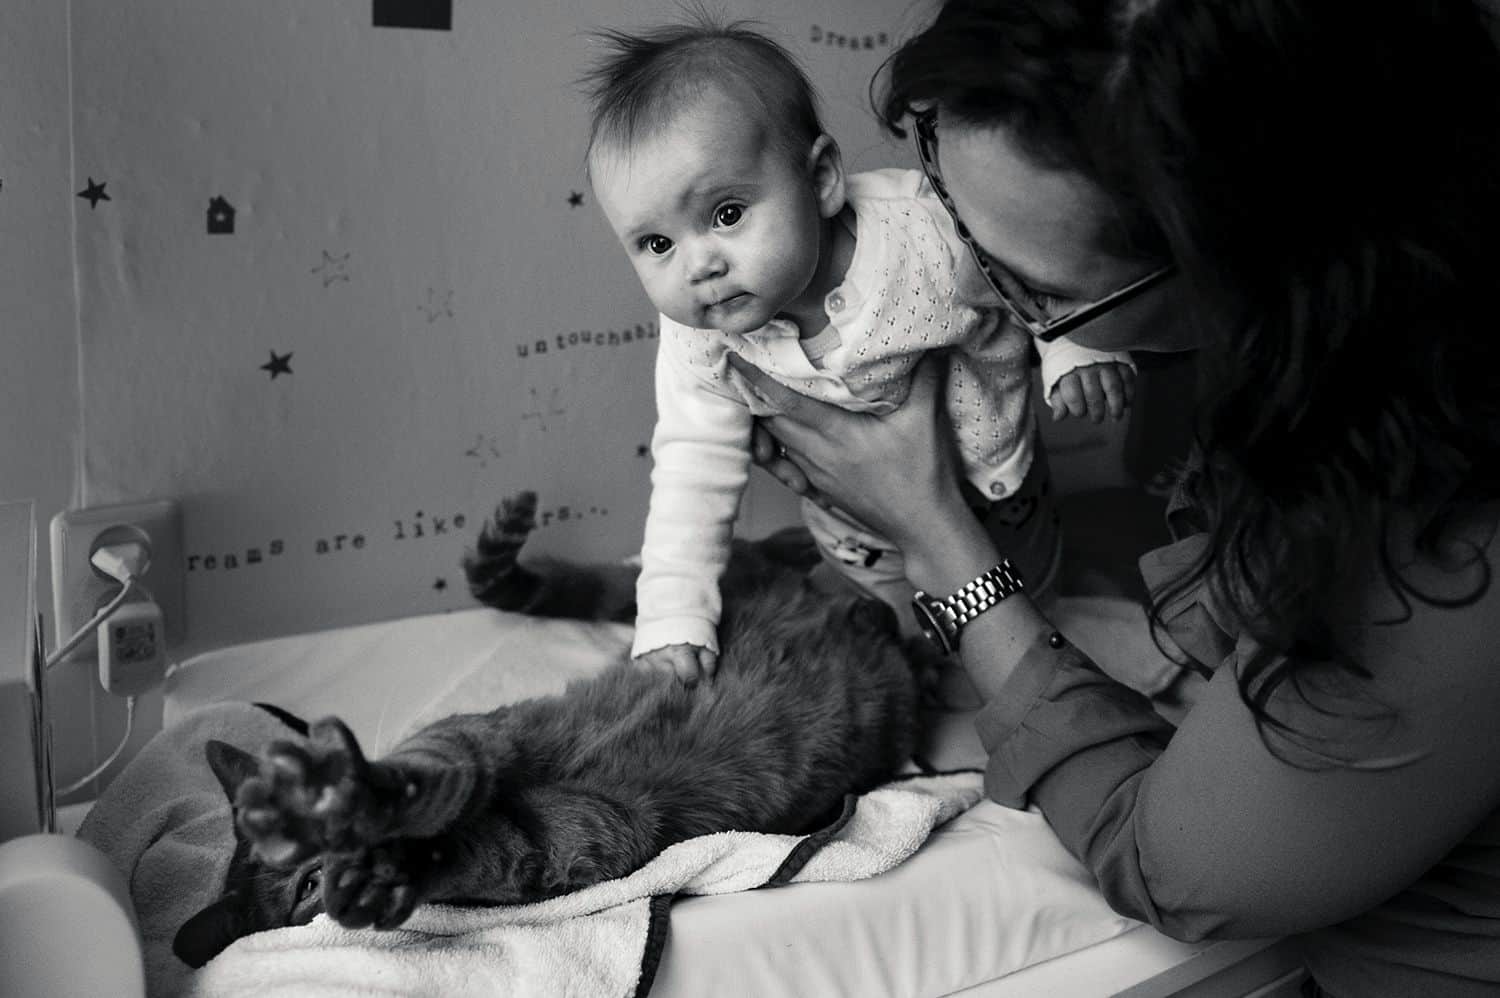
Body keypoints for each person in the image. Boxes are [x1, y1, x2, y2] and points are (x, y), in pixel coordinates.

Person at [730, 1, 1500, 995]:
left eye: (1035, 292)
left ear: (1256, 282)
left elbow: (1173, 865)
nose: (954, 271)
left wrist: (937, 535)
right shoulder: (1309, 374)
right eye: (937, 188)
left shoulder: (1433, 538)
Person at [580, 17, 1142, 685]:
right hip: (853, 533)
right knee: (902, 641)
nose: (698, 265)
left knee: (1027, 598)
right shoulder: (701, 343)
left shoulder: (920, 235)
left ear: (820, 179)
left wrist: (1072, 349)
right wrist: (673, 612)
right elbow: (690, 468)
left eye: (726, 214)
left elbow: (1029, 266)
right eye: (656, 244)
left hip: (999, 489)